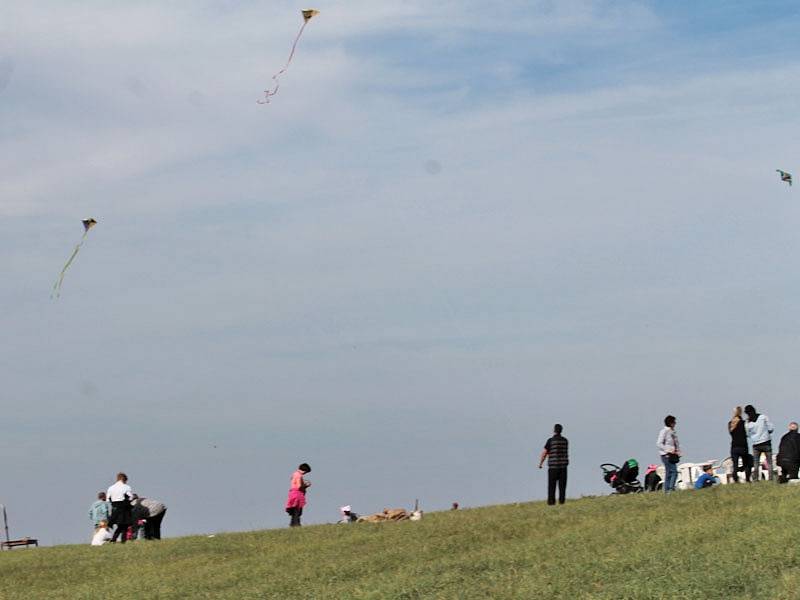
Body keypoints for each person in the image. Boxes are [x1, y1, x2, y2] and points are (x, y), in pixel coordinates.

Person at [538, 423, 569, 505]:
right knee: (562, 486)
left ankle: (551, 502)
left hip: (553, 467)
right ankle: (562, 502)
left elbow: (544, 453)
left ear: (554, 430)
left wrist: (541, 463)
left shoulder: (550, 441)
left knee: (552, 486)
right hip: (563, 466)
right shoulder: (565, 441)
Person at [744, 405, 775, 481]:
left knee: (756, 463)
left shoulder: (747, 422)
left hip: (756, 444)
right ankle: (770, 478)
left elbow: (747, 434)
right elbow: (771, 428)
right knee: (769, 462)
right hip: (766, 442)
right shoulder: (763, 417)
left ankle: (756, 479)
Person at [107, 472, 134, 543]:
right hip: (123, 507)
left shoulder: (110, 488)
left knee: (120, 525)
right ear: (124, 479)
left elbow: (108, 499)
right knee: (125, 525)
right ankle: (122, 541)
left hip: (114, 508)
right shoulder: (126, 487)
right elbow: (131, 497)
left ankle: (114, 539)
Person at [657, 415, 681, 493]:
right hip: (666, 455)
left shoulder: (673, 432)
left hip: (673, 454)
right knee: (674, 471)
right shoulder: (664, 431)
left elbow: (675, 443)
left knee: (669, 472)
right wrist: (668, 450)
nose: (675, 423)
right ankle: (671, 488)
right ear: (671, 423)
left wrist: (678, 451)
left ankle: (666, 490)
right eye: (674, 422)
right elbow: (659, 443)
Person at [728, 407, 752, 483]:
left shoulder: (730, 424)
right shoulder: (744, 423)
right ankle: (747, 479)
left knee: (735, 465)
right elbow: (748, 434)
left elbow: (731, 433)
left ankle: (735, 480)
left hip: (734, 446)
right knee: (746, 463)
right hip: (743, 446)